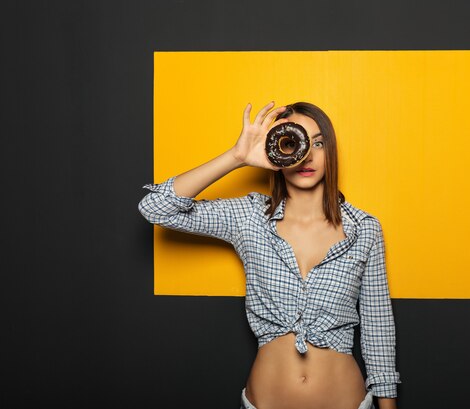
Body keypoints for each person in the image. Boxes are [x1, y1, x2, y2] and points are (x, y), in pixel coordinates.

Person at [138, 101, 401, 409]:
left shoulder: (364, 229)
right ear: (277, 150)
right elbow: (156, 208)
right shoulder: (249, 217)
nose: (307, 155)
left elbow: (377, 326)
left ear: (331, 151)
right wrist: (236, 157)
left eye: (318, 143)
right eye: (294, 142)